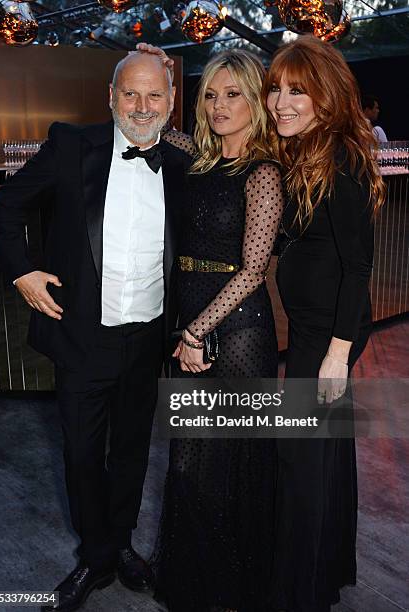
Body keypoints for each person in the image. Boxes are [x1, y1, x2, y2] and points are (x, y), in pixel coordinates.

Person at [0, 52, 191, 612]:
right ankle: (94, 556)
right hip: (82, 338)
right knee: (81, 455)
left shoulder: (181, 167)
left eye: (155, 96)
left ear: (172, 103)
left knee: (131, 452)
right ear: (111, 96)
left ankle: (121, 546)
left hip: (147, 336)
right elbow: (6, 205)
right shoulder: (70, 146)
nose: (143, 107)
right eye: (131, 94)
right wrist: (22, 271)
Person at [140, 45, 283, 611]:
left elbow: (254, 270)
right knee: (188, 458)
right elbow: (147, 117)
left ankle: (232, 583)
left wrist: (196, 332)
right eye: (212, 95)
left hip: (239, 329)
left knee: (229, 458)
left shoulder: (265, 172)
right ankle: (194, 578)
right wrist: (158, 69)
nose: (221, 106)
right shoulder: (196, 158)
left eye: (234, 95)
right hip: (192, 317)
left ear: (255, 100)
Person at [263, 36, 385, 611]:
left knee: (301, 452)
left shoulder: (339, 155)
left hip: (329, 334)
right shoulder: (306, 151)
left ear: (325, 97)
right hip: (316, 325)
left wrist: (337, 355)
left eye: (296, 91)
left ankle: (300, 592)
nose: (281, 103)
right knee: (324, 448)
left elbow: (359, 264)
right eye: (275, 91)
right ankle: (322, 570)